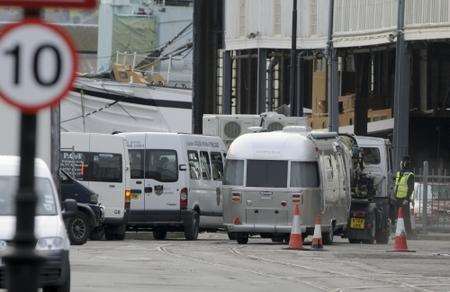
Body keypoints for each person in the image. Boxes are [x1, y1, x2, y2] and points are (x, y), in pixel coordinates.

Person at [393, 156, 415, 234]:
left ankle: (409, 234)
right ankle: (398, 232)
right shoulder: (399, 172)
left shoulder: (410, 174)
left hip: (404, 199)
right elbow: (397, 184)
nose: (401, 163)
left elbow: (411, 188)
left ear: (404, 163)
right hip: (397, 198)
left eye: (402, 162)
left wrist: (407, 199)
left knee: (406, 217)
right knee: (397, 217)